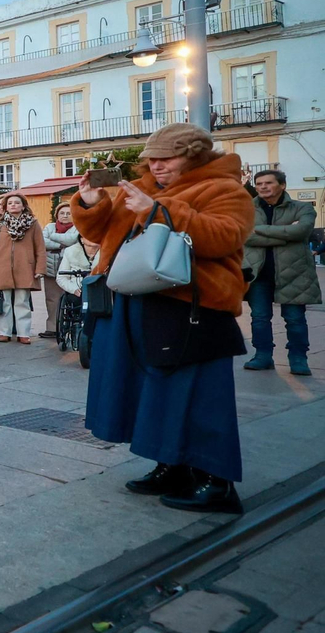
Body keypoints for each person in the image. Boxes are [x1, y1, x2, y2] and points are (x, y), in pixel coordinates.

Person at [74, 123, 253, 515]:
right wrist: (91, 202)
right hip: (137, 301)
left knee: (198, 395)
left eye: (165, 159)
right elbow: (103, 233)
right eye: (151, 159)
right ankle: (171, 464)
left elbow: (226, 236)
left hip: (192, 308)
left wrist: (160, 211)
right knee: (150, 390)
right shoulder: (144, 189)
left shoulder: (224, 188)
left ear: (192, 155)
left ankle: (215, 481)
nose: (155, 166)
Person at [243, 169, 319, 375]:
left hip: (294, 273)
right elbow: (243, 235)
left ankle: (298, 358)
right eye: (259, 184)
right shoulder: (246, 209)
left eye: (268, 183)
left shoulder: (303, 208)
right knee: (259, 318)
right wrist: (286, 232)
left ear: (282, 185)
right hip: (259, 274)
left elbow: (302, 231)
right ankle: (262, 356)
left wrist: (260, 229)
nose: (263, 187)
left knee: (294, 319)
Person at [0, 192, 43, 344]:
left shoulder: (33, 223)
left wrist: (39, 269)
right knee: (4, 302)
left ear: (23, 206)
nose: (13, 205)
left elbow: (40, 248)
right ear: (5, 207)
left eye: (16, 203)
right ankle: (5, 332)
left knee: (22, 301)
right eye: (10, 203)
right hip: (1, 268)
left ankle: (24, 333)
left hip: (25, 268)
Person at [39, 202, 80, 339]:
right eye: (62, 213)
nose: (65, 216)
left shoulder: (78, 227)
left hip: (71, 268)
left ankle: (72, 325)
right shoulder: (50, 226)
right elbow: (42, 242)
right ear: (57, 215)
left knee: (71, 297)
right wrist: (62, 244)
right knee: (52, 299)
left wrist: (54, 239)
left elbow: (72, 240)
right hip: (50, 267)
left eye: (69, 213)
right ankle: (52, 328)